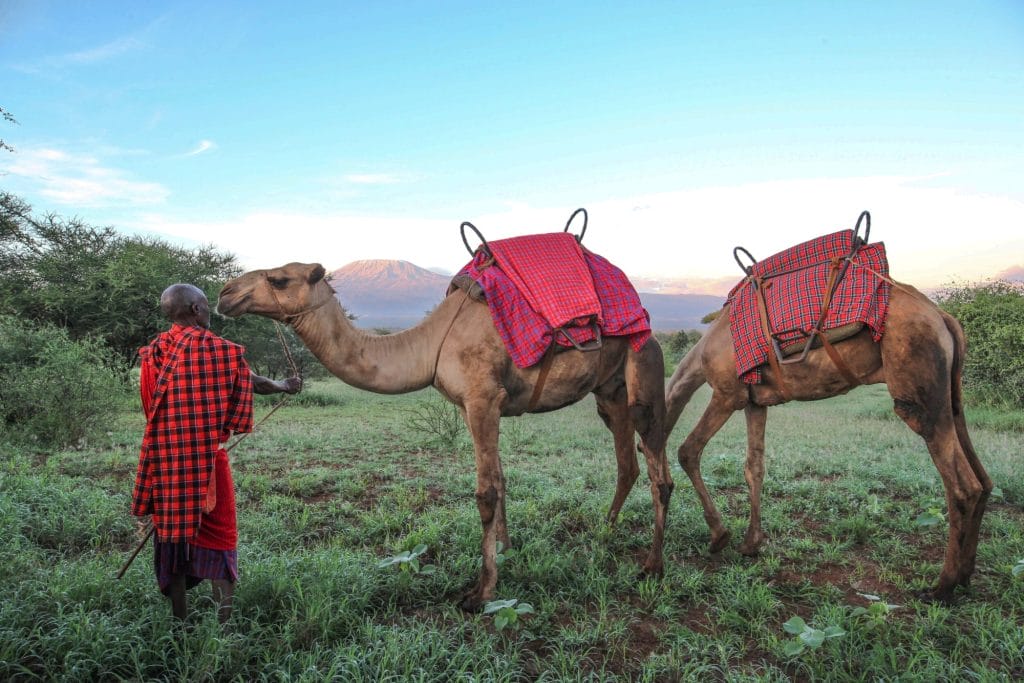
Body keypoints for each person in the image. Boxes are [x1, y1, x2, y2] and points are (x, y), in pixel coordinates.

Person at [131, 283, 301, 624]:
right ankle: (223, 624)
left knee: (173, 537)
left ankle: (180, 621)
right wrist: (286, 386)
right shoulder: (220, 352)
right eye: (206, 307)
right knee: (221, 534)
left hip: (166, 464)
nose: (209, 312)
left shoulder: (153, 353)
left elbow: (152, 408)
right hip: (208, 464)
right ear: (196, 310)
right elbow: (255, 382)